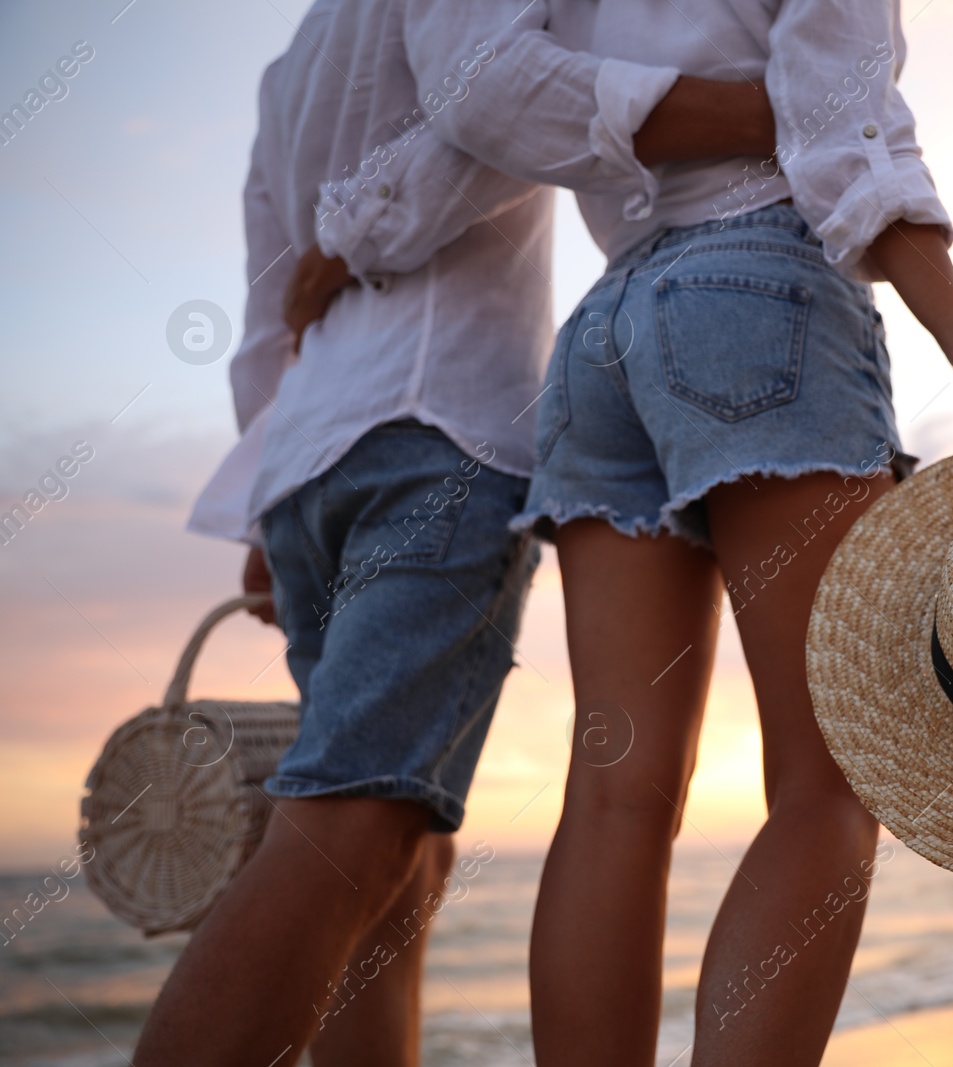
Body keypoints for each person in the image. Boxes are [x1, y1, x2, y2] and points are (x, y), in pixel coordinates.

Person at [314, 2, 953, 1063]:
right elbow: (844, 118)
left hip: (600, 338)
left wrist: (359, 226)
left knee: (615, 795)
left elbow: (491, 100)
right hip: (760, 283)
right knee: (833, 777)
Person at [135, 0, 779, 1063]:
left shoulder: (286, 67)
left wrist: (265, 495)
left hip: (308, 466)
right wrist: (357, 233)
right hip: (436, 432)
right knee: (358, 823)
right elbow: (496, 116)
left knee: (397, 867)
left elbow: (263, 321)